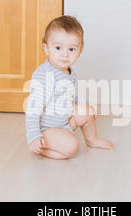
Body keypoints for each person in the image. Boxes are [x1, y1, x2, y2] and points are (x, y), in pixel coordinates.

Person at [25, 15, 114, 160]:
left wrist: (83, 103)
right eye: (58, 47)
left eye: (71, 49)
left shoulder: (68, 72)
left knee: (87, 112)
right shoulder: (45, 75)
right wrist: (33, 136)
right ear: (46, 48)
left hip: (65, 122)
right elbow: (33, 108)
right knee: (72, 147)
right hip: (48, 130)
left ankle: (92, 140)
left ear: (80, 50)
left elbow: (66, 96)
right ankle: (42, 146)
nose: (65, 54)